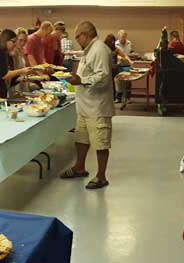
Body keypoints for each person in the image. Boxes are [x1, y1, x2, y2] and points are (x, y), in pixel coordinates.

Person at [63, 21, 114, 190]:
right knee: (81, 139)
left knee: (100, 142)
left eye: (78, 37)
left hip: (97, 107)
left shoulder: (99, 49)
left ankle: (101, 176)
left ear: (86, 35)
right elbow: (87, 72)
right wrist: (75, 78)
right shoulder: (89, 50)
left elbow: (103, 76)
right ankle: (79, 167)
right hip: (85, 106)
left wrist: (82, 80)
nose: (77, 40)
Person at [0, 29, 50, 98]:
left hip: (2, 91)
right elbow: (3, 75)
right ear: (6, 40)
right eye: (13, 41)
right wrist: (22, 71)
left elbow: (13, 79)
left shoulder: (5, 54)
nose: (15, 44)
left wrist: (27, 77)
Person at [106, 34, 133, 103]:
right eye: (110, 41)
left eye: (113, 41)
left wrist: (129, 61)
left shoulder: (116, 48)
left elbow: (124, 55)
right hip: (106, 68)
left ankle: (118, 98)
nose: (112, 43)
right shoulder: (104, 48)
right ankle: (112, 98)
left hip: (115, 68)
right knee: (110, 84)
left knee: (117, 83)